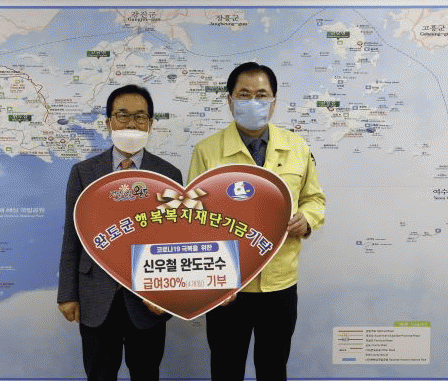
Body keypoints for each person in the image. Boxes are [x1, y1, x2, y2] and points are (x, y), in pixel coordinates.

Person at [188, 62, 325, 381]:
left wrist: (306, 220)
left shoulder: (297, 147)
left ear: (274, 101)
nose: (253, 102)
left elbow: (315, 199)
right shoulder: (207, 151)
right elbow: (193, 217)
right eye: (244, 94)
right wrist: (213, 279)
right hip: (228, 284)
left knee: (273, 368)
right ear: (230, 101)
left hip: (280, 282)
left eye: (261, 95)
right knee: (226, 368)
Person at [57, 84, 183, 381]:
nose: (131, 124)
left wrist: (168, 296)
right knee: (99, 375)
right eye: (122, 115)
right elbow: (72, 237)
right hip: (96, 297)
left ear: (150, 123)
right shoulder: (83, 173)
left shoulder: (169, 175)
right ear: (108, 122)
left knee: (146, 374)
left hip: (148, 300)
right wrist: (67, 294)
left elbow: (175, 241)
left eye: (140, 117)